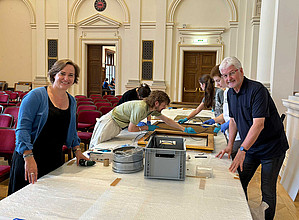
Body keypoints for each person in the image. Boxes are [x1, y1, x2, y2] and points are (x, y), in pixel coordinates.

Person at [216, 57, 289, 220]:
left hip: (272, 148)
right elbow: (233, 121)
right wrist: (230, 146)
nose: (228, 79)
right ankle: (242, 216)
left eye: (231, 73)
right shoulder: (230, 93)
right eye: (225, 76)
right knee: (239, 182)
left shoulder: (257, 90)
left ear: (241, 71)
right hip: (252, 147)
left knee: (267, 190)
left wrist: (242, 149)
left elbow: (258, 124)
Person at [8, 59, 89, 195]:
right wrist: (28, 157)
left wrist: (77, 151)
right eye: (62, 73)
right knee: (25, 201)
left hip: (53, 158)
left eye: (71, 75)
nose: (66, 78)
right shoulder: (36, 96)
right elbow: (22, 129)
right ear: (54, 75)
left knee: (48, 200)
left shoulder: (72, 101)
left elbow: (71, 130)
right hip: (30, 157)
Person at [89, 90, 196, 148]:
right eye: (164, 105)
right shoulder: (141, 108)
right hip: (110, 123)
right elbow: (131, 129)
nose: (164, 108)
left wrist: (183, 129)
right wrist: (146, 127)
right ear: (156, 103)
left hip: (118, 125)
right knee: (96, 147)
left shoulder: (151, 109)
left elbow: (166, 120)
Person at [203, 65, 241, 159]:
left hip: (238, 135)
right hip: (230, 133)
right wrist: (214, 120)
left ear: (224, 77)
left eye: (218, 81)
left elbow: (239, 116)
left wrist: (229, 123)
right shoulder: (226, 92)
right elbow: (227, 114)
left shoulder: (235, 92)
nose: (217, 85)